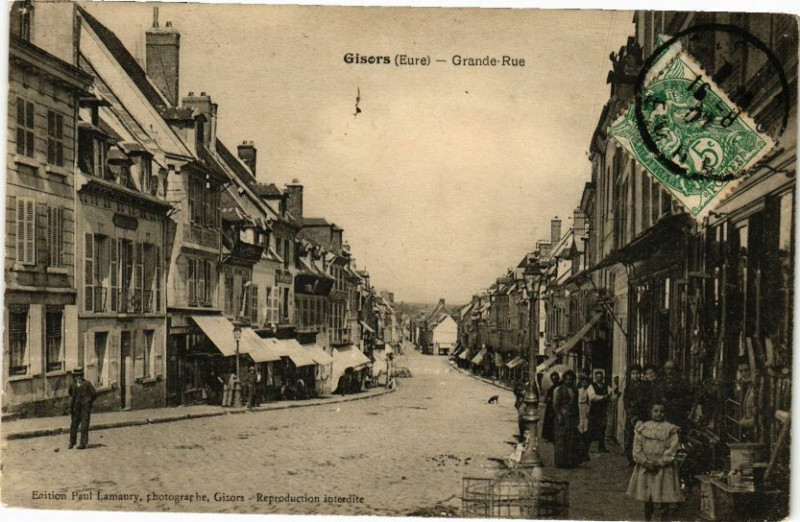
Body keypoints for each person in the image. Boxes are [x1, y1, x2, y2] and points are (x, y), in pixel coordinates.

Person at [626, 401, 684, 521]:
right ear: (650, 412)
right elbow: (637, 449)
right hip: (646, 467)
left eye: (662, 411)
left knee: (664, 499)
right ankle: (647, 518)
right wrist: (645, 462)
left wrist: (660, 462)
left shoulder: (670, 429)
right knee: (648, 498)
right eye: (656, 411)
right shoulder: (643, 428)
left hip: (664, 468)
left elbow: (672, 449)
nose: (659, 414)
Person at [624, 364, 651, 466]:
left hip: (643, 415)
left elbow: (648, 400)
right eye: (633, 374)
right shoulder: (629, 386)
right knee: (630, 437)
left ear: (641, 374)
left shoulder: (645, 385)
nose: (636, 376)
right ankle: (631, 458)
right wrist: (630, 413)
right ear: (630, 375)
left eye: (638, 373)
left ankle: (642, 458)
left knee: (643, 437)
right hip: (632, 416)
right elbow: (626, 401)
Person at [552, 370, 580, 468]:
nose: (569, 381)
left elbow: (576, 405)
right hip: (562, 416)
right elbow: (555, 404)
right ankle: (560, 461)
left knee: (570, 439)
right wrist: (559, 415)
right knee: (561, 438)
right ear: (564, 379)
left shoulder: (575, 390)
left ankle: (569, 460)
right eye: (567, 379)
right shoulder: (559, 390)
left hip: (571, 416)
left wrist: (577, 417)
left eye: (571, 379)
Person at [68, 368, 97, 450]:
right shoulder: (73, 385)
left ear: (82, 376)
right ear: (74, 376)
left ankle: (83, 444)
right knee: (74, 425)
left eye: (80, 375)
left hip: (85, 409)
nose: (79, 377)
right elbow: (70, 392)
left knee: (84, 426)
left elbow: (94, 394)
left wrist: (88, 402)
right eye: (77, 376)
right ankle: (72, 442)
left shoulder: (87, 384)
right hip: (76, 409)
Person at [661, 360, 692, 432]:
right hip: (664, 414)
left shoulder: (683, 384)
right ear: (664, 370)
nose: (670, 371)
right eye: (668, 369)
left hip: (678, 414)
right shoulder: (660, 383)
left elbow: (687, 399)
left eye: (673, 369)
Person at [587, 369, 612, 452]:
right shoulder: (591, 386)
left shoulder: (606, 386)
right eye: (597, 377)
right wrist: (603, 397)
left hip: (603, 410)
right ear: (595, 378)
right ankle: (586, 447)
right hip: (594, 410)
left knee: (602, 428)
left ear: (603, 378)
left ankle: (601, 447)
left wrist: (615, 395)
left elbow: (611, 395)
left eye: (600, 377)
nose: (599, 379)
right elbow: (592, 397)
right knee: (591, 428)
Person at [541, 371, 560, 443]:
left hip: (556, 405)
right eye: (553, 379)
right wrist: (547, 398)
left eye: (555, 379)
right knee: (549, 421)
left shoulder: (559, 387)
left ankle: (554, 436)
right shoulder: (551, 387)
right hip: (550, 406)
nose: (554, 380)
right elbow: (546, 399)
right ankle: (550, 436)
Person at [577, 374, 591, 462]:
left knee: (585, 428)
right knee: (579, 427)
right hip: (579, 408)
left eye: (586, 383)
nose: (584, 384)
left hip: (586, 408)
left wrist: (589, 411)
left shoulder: (589, 391)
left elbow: (590, 402)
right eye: (583, 382)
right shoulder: (578, 390)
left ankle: (584, 451)